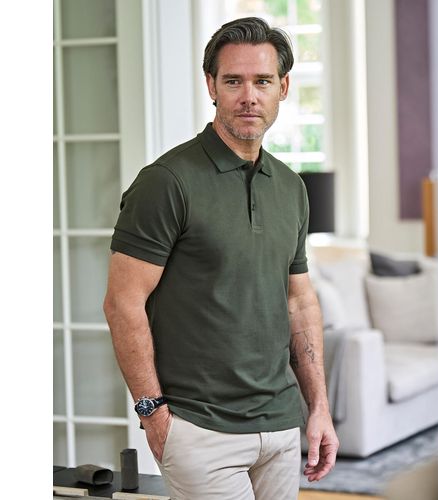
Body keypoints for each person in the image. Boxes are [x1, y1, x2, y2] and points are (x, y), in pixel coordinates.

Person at [103, 16, 339, 500]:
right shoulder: (167, 182)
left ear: (283, 87)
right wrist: (152, 414)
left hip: (279, 425)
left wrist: (318, 407)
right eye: (233, 81)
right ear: (211, 85)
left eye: (262, 81)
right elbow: (122, 303)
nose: (248, 96)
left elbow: (299, 301)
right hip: (200, 429)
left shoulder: (291, 188)